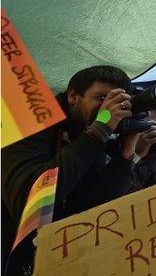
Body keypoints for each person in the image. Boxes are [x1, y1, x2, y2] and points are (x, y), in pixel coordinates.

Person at [2, 66, 138, 274]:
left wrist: (125, 158)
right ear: (73, 95)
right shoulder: (30, 119)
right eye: (101, 97)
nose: (107, 109)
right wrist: (99, 129)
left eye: (117, 102)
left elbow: (92, 206)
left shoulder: (88, 132)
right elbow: (28, 202)